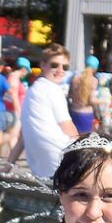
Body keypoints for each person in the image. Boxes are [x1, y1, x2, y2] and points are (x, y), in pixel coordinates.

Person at [19, 45, 78, 179]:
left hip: (40, 167)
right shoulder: (53, 89)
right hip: (60, 159)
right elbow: (67, 127)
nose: (60, 70)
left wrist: (9, 164)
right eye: (54, 65)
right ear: (43, 65)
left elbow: (22, 135)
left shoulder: (33, 89)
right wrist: (86, 146)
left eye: (65, 67)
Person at [68, 58, 97, 135]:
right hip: (86, 114)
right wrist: (104, 101)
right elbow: (92, 100)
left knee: (73, 138)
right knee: (84, 139)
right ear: (95, 68)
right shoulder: (93, 80)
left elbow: (70, 95)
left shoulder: (75, 78)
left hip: (73, 112)